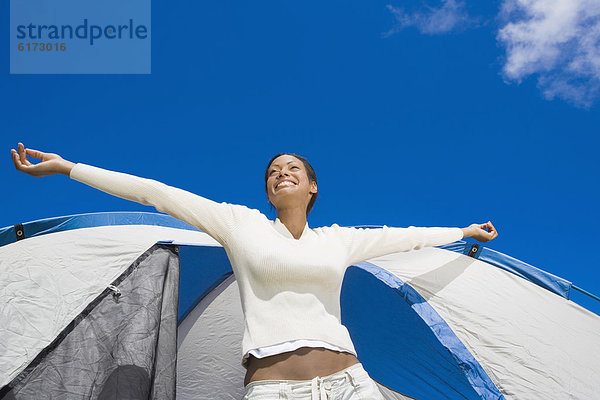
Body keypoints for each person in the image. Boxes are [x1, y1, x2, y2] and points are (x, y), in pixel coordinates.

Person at [10, 142, 498, 400]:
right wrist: (68, 167)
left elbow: (405, 235)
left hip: (350, 384)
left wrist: (464, 230)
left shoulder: (340, 240)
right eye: (273, 172)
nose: (282, 173)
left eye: (293, 170)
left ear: (311, 187)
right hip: (271, 388)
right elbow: (154, 192)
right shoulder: (239, 224)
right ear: (268, 192)